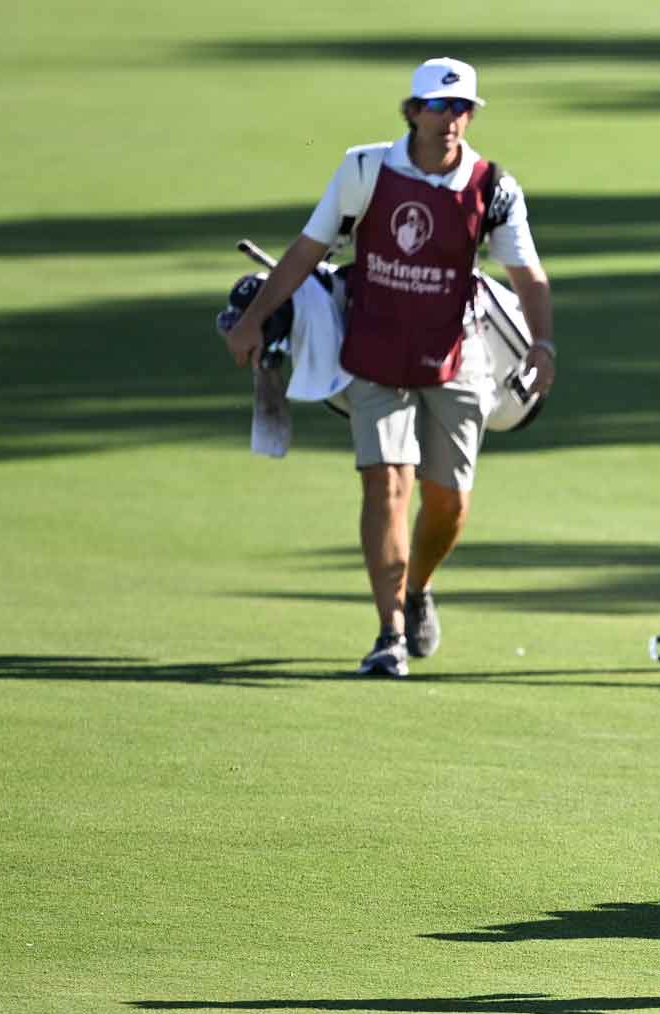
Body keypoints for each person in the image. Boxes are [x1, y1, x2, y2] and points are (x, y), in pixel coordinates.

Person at [222, 57, 557, 678]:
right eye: (439, 106)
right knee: (386, 483)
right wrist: (255, 317)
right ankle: (389, 635)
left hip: (457, 357)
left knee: (449, 503)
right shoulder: (364, 168)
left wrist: (544, 345)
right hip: (374, 351)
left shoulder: (493, 187)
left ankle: (417, 586)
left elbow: (527, 273)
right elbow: (308, 249)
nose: (452, 119)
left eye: (462, 108)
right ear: (412, 111)